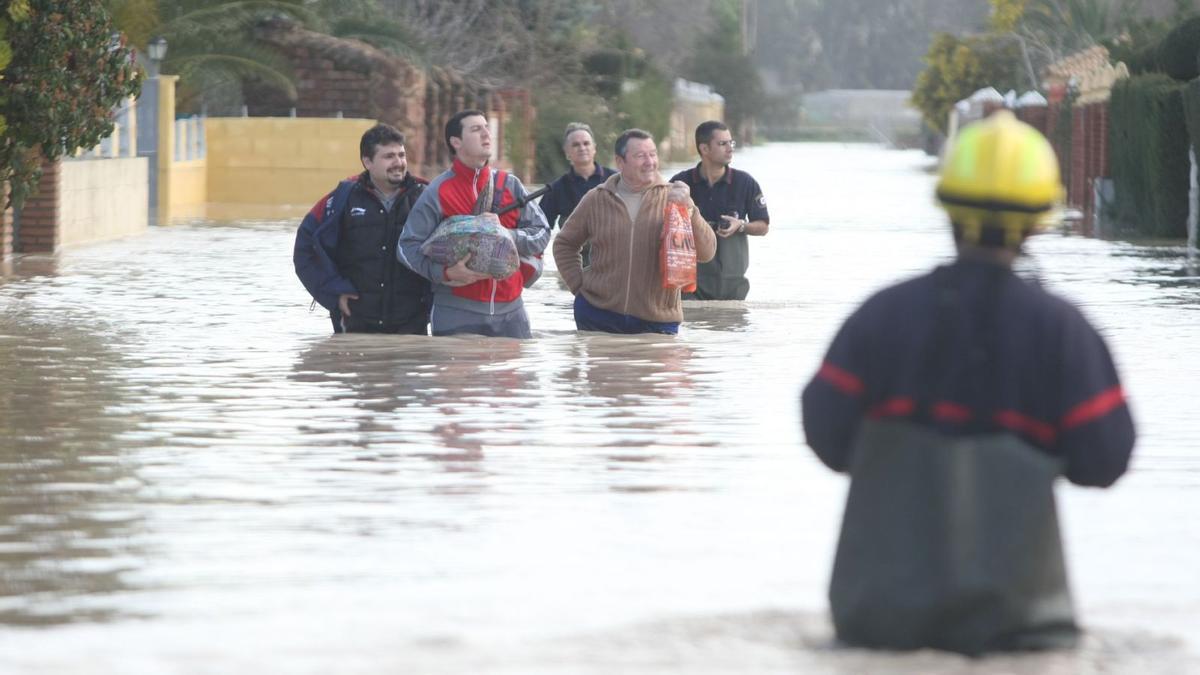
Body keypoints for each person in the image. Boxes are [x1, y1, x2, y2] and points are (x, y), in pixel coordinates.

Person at [800, 111, 1136, 655]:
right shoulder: (1064, 333)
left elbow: (825, 434)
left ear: (948, 207)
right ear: (1039, 219)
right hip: (1019, 633)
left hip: (878, 625)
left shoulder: (880, 317)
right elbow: (1104, 460)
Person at [397, 110, 551, 339]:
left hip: (512, 313)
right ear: (456, 142)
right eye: (476, 129)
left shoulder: (511, 185)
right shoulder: (437, 191)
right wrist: (446, 273)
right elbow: (406, 247)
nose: (487, 134)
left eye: (487, 127)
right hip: (456, 312)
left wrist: (507, 234)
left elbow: (543, 233)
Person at [552, 129, 716, 335]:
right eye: (640, 156)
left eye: (653, 154)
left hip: (657, 320)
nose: (650, 162)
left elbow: (707, 253)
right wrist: (579, 287)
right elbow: (564, 244)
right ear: (620, 162)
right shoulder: (596, 198)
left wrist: (691, 210)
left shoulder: (675, 198)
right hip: (598, 315)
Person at [293, 123, 431, 334]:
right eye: (389, 156)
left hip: (412, 326)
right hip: (354, 324)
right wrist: (333, 293)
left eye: (401, 155)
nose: (399, 162)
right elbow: (305, 251)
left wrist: (432, 303)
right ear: (367, 161)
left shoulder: (426, 197)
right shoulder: (341, 199)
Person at [670, 120, 769, 300]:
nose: (730, 149)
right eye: (722, 144)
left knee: (733, 326)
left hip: (733, 287)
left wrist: (741, 226)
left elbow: (763, 226)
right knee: (692, 327)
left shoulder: (745, 182)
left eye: (731, 143)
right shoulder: (680, 184)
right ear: (704, 149)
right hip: (690, 287)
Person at [539, 123, 616, 267]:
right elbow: (539, 227)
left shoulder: (617, 180)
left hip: (614, 262)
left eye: (586, 143)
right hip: (575, 267)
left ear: (594, 148)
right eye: (576, 145)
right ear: (566, 152)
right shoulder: (557, 188)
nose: (582, 148)